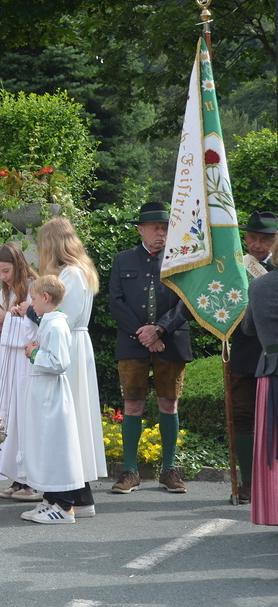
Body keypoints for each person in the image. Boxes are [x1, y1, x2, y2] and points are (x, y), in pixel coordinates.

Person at [108, 202, 192, 495]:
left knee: (169, 403)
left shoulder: (181, 259)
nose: (161, 233)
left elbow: (187, 301)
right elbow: (115, 302)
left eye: (166, 228)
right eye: (155, 228)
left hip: (172, 340)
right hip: (133, 343)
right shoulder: (122, 259)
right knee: (133, 404)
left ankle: (169, 469)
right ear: (140, 230)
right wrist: (144, 333)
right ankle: (130, 471)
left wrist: (160, 329)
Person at [34, 217, 105, 511]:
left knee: (68, 420)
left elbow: (65, 315)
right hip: (74, 344)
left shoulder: (72, 274)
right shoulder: (77, 271)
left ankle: (72, 495)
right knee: (71, 420)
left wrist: (30, 312)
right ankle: (78, 495)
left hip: (70, 347)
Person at [19, 275, 86, 524]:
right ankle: (50, 501)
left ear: (46, 298)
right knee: (44, 447)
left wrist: (34, 353)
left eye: (34, 299)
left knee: (54, 448)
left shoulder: (57, 325)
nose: (32, 304)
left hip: (52, 393)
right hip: (43, 390)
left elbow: (59, 363)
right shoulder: (49, 322)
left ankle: (64, 507)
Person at [0, 241, 41, 501]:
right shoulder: (3, 293)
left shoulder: (35, 288)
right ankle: (17, 478)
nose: (3, 277)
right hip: (8, 363)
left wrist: (7, 320)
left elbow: (36, 329)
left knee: (25, 417)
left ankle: (32, 480)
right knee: (10, 418)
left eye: (6, 271)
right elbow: (1, 333)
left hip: (27, 362)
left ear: (18, 265)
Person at [229, 210, 276, 503]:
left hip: (271, 353)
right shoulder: (233, 267)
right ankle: (247, 480)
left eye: (266, 240)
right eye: (253, 238)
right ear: (245, 238)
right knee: (243, 416)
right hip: (245, 352)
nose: (258, 245)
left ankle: (270, 481)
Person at [241, 234, 278, 526]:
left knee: (271, 445)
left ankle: (273, 510)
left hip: (270, 369)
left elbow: (248, 328)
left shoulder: (259, 285)